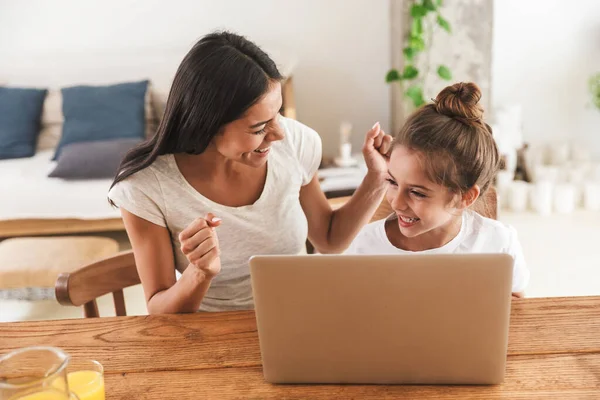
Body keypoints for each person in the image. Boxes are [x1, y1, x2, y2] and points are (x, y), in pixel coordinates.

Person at [108, 31, 392, 313]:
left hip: (301, 317)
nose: (279, 133)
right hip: (209, 335)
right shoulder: (146, 186)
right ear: (206, 125)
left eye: (278, 114)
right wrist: (200, 272)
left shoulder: (296, 143)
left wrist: (377, 178)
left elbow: (330, 240)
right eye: (259, 127)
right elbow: (159, 308)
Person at [344, 82, 530, 297]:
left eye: (417, 193)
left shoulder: (498, 243)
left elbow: (516, 308)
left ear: (465, 197)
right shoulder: (365, 245)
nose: (396, 203)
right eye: (393, 182)